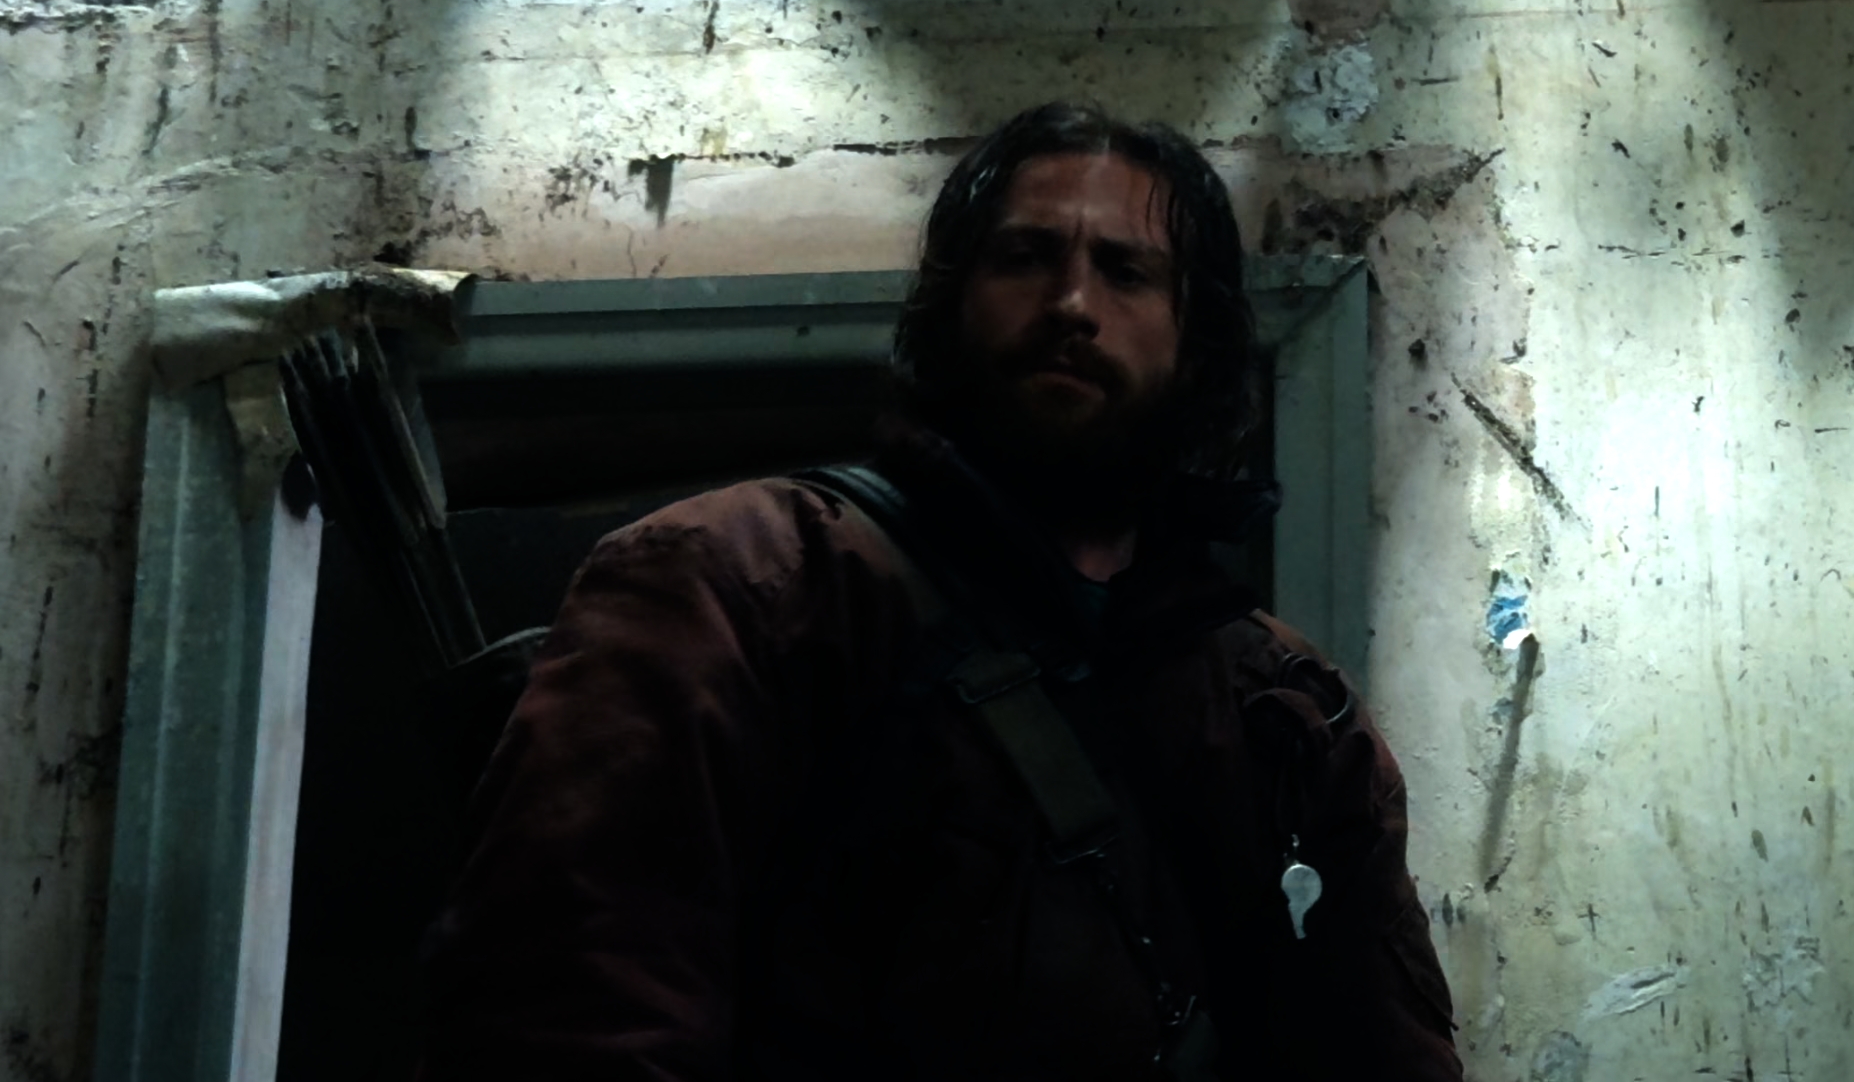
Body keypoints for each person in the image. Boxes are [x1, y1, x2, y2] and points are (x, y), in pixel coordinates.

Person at [418, 102, 1461, 1080]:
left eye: (1127, 271)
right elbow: (570, 1019)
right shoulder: (735, 586)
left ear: (1194, 340)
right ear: (951, 300)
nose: (1072, 306)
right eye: (1025, 257)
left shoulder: (1282, 708)